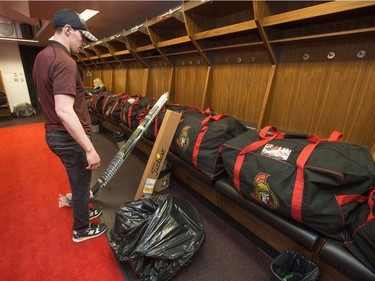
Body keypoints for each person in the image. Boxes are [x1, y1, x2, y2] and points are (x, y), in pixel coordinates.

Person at [33, 9, 107, 242]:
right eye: (82, 37)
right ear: (67, 30)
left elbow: (42, 98)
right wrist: (89, 148)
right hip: (67, 136)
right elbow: (63, 109)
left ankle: (83, 210)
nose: (83, 43)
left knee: (80, 180)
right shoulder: (65, 61)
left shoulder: (42, 56)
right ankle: (81, 229)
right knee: (81, 182)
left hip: (54, 134)